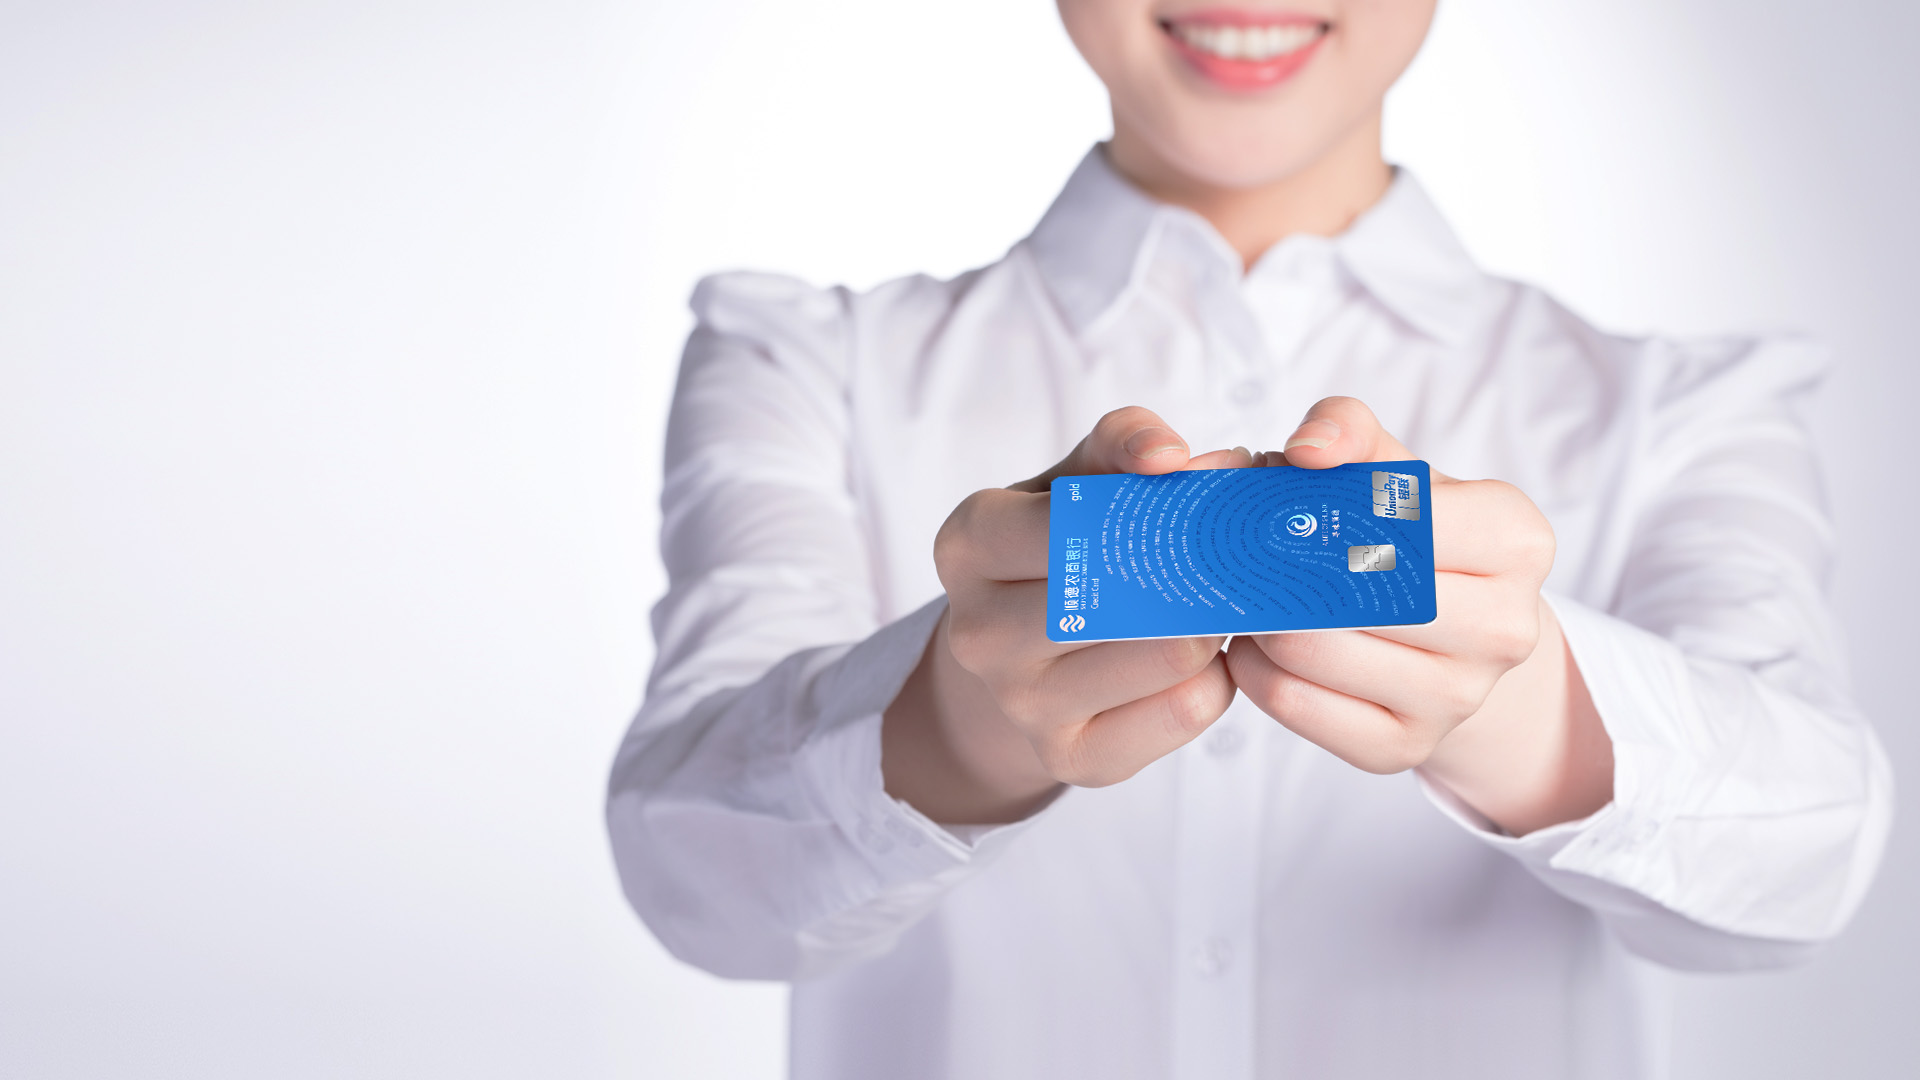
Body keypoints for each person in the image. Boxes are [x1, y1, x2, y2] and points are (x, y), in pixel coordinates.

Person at [607, 1, 1892, 1076]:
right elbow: (689, 879)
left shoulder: (1685, 410)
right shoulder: (806, 366)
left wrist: (1526, 707)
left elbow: (1813, 866)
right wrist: (954, 720)